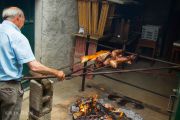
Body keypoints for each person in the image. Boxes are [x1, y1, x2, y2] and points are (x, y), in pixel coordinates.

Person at [0, 7, 65, 120]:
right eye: (24, 18)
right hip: (8, 88)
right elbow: (34, 67)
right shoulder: (17, 36)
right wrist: (56, 72)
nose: (24, 22)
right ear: (18, 18)